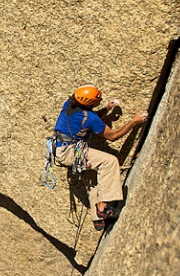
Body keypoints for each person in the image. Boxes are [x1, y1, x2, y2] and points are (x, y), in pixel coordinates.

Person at [53, 84, 147, 230]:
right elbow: (113, 136)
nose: (101, 99)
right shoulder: (90, 118)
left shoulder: (69, 104)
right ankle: (103, 207)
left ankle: (97, 220)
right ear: (90, 103)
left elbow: (89, 118)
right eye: (98, 99)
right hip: (70, 152)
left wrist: (107, 109)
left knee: (93, 179)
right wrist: (135, 121)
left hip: (61, 149)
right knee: (109, 162)